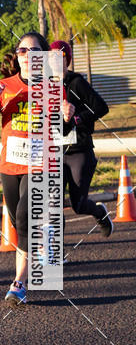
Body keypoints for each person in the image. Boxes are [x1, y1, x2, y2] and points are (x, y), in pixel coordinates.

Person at [0, 31, 51, 305]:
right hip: (10, 165)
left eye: (34, 51)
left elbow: (65, 128)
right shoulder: (4, 85)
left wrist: (66, 114)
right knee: (18, 222)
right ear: (16, 56)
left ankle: (19, 281)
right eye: (22, 51)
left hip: (39, 164)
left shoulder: (53, 87)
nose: (28, 56)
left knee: (23, 216)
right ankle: (39, 243)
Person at [50, 40, 113, 238]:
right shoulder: (44, 86)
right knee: (53, 203)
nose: (54, 60)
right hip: (54, 153)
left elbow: (101, 107)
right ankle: (56, 251)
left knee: (78, 205)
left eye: (59, 57)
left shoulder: (77, 83)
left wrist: (77, 117)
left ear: (67, 59)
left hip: (79, 151)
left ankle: (100, 212)